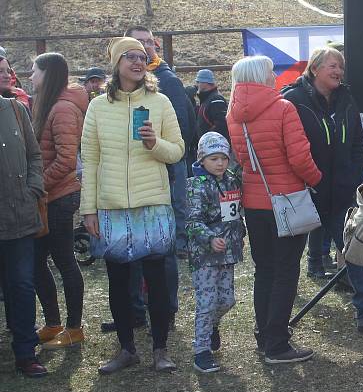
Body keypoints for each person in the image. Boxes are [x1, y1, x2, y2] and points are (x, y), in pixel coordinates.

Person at [81, 37, 185, 374]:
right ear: (115, 63)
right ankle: (126, 349)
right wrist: (89, 209)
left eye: (143, 57)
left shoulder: (161, 101)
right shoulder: (97, 106)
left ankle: (160, 349)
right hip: (110, 206)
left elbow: (178, 150)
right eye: (130, 57)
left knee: (156, 280)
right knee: (118, 281)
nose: (139, 62)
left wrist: (156, 144)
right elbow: (91, 159)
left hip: (152, 203)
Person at [226, 55, 322, 363]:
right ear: (261, 75)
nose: (274, 75)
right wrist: (317, 179)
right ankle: (277, 344)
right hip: (287, 199)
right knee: (286, 270)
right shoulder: (283, 108)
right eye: (270, 71)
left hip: (254, 202)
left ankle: (264, 334)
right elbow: (299, 158)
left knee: (264, 270)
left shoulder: (233, 113)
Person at [281, 46, 363, 333]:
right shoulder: (293, 100)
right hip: (304, 192)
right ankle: (281, 308)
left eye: (340, 67)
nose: (338, 72)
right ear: (315, 69)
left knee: (355, 251)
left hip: (342, 194)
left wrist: (354, 172)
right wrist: (310, 179)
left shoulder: (346, 99)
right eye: (332, 65)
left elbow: (358, 140)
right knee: (287, 257)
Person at [124, 26, 195, 325]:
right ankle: (136, 307)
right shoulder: (117, 91)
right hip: (131, 177)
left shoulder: (167, 81)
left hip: (165, 166)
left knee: (162, 245)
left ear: (155, 45)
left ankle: (165, 306)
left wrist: (167, 156)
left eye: (148, 42)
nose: (144, 49)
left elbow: (182, 128)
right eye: (136, 44)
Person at [28, 53, 89, 349]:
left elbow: (66, 160)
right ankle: (53, 323)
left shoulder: (63, 108)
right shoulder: (45, 103)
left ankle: (74, 327)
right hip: (45, 197)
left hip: (60, 197)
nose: (30, 77)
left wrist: (37, 186)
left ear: (48, 74)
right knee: (38, 261)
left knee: (65, 261)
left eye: (34, 71)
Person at [0, 54, 48, 377]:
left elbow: (34, 156)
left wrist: (33, 189)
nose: (8, 75)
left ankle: (25, 352)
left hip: (19, 219)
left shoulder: (18, 111)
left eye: (7, 70)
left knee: (21, 285)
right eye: (0, 72)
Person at [186, 132, 245, 373]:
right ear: (202, 161)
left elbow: (235, 212)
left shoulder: (232, 180)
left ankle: (212, 326)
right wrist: (210, 238)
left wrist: (239, 235)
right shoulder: (196, 185)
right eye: (213, 159)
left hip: (228, 253)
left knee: (227, 300)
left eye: (223, 157)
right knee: (207, 302)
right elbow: (192, 221)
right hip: (204, 256)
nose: (220, 163)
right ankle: (201, 350)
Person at [195, 69, 230, 142]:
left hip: (214, 146)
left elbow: (221, 124)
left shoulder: (216, 100)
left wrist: (208, 138)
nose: (196, 84)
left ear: (206, 83)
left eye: (199, 82)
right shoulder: (207, 98)